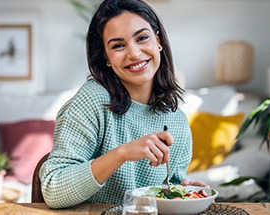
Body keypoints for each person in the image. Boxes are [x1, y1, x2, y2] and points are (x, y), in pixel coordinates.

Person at [40, 0, 207, 209]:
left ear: (158, 41)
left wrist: (183, 193)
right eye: (118, 46)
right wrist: (122, 153)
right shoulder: (92, 101)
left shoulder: (177, 121)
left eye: (142, 38)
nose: (135, 53)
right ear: (107, 58)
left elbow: (166, 190)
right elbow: (53, 190)